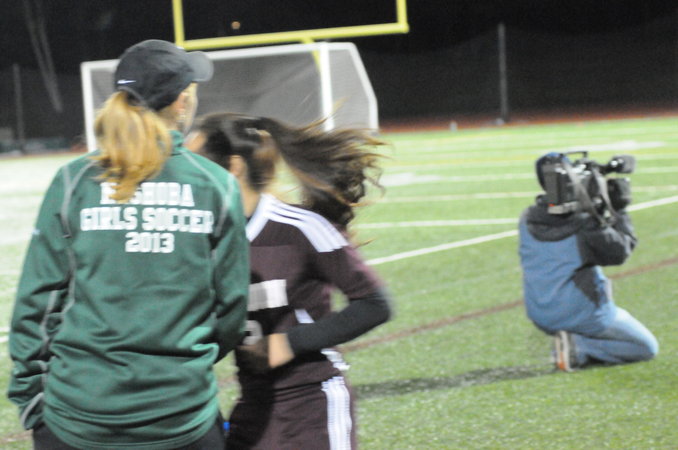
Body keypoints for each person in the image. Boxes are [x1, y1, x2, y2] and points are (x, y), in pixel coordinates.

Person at [7, 39, 250, 449]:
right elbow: (230, 310)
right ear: (181, 101)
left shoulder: (74, 182)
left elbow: (37, 303)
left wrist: (33, 403)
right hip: (181, 418)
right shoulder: (217, 185)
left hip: (76, 419)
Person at [187, 112, 393, 449]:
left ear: (233, 167)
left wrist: (288, 344)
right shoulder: (204, 239)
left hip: (313, 402)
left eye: (195, 162)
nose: (183, 172)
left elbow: (374, 304)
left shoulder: (300, 228)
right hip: (253, 405)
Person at [518, 152, 658, 372]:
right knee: (645, 347)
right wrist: (619, 209)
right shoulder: (584, 225)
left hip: (539, 312)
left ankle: (571, 341)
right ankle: (577, 347)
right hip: (582, 313)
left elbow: (559, 223)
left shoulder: (527, 218)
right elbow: (621, 251)